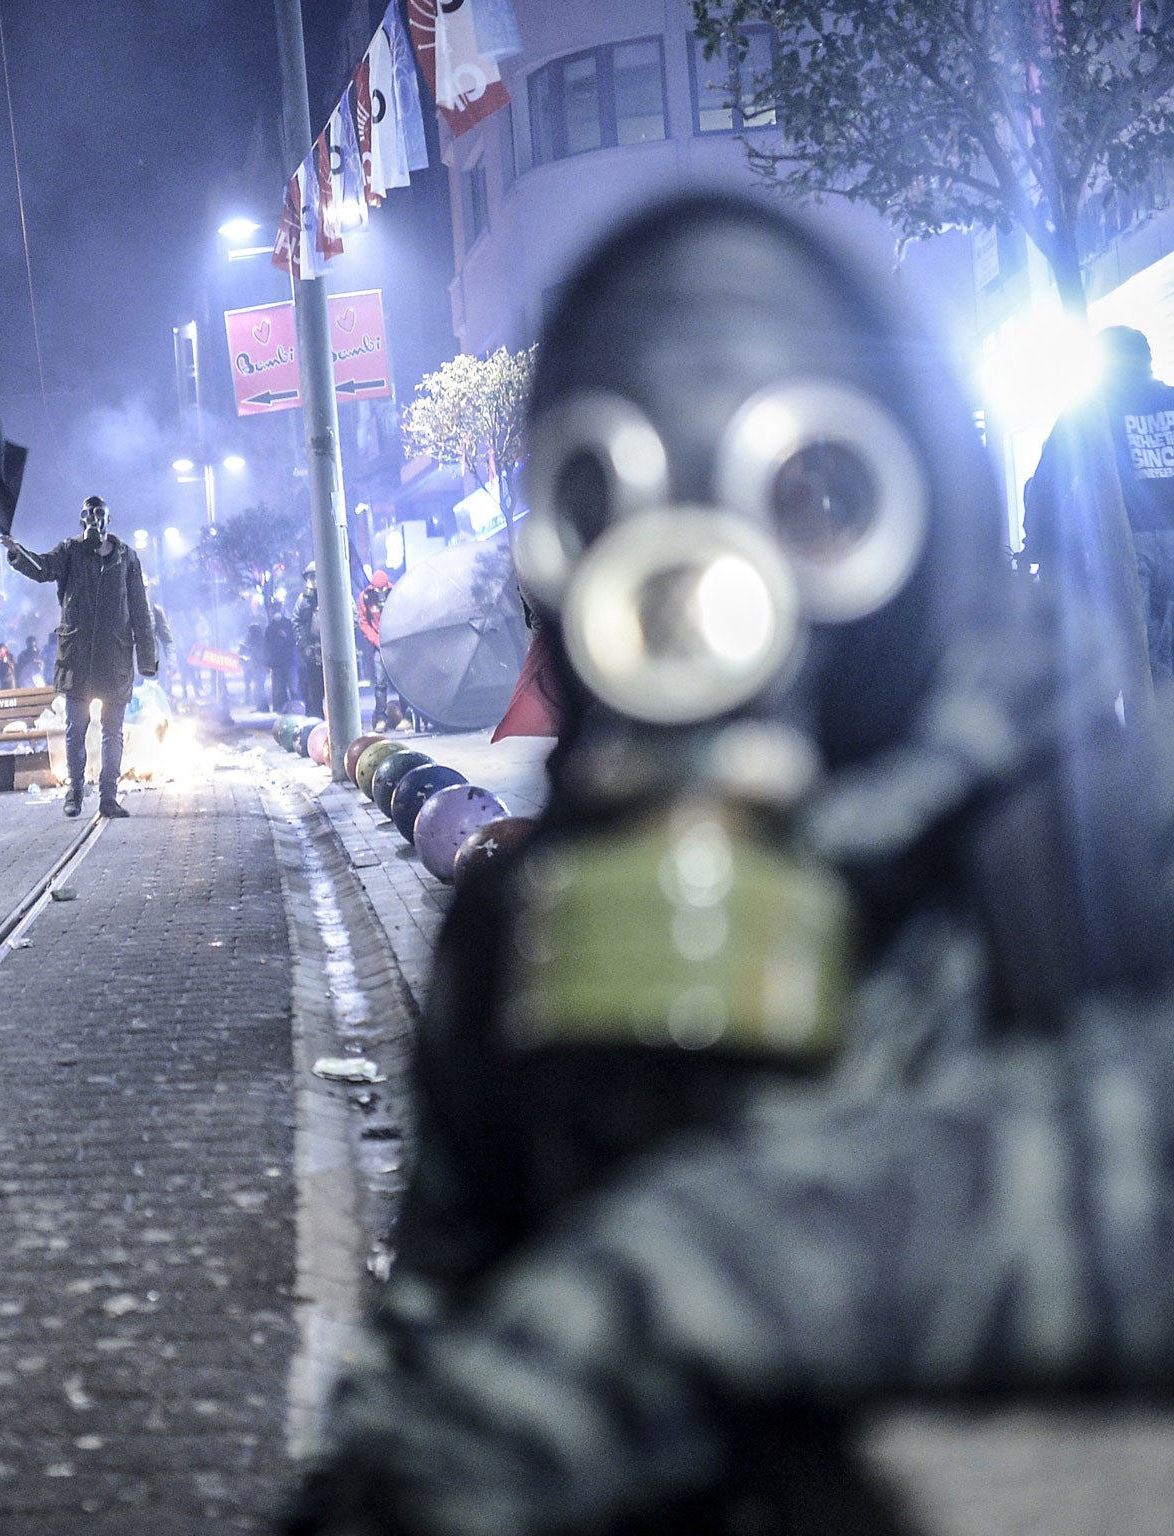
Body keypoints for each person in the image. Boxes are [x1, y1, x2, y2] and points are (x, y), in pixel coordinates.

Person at [293, 193, 1174, 1536]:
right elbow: (436, 1351)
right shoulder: (522, 933)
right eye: (612, 497)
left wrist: (681, 1293)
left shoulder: (1078, 835)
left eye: (813, 498)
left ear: (917, 503)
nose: (709, 563)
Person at [1022, 324, 1174, 681]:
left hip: (1126, 543)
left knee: (1134, 652)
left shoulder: (1087, 411)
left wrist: (1038, 544)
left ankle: (1149, 728)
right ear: (1148, 360)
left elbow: (1046, 482)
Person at [3, 495, 157, 818]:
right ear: (82, 520)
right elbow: (43, 568)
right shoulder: (70, 551)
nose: (94, 521)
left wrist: (146, 659)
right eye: (89, 515)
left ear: (109, 520)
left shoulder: (127, 558)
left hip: (114, 659)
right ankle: (74, 792)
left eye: (100, 515)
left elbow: (141, 610)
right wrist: (18, 553)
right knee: (75, 730)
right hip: (77, 659)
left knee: (113, 733)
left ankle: (108, 797)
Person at [292, 563, 324, 715]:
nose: (314, 580)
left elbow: (353, 617)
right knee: (314, 692)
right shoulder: (303, 600)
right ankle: (316, 722)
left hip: (332, 652)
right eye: (311, 577)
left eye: (317, 576)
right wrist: (303, 645)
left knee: (336, 691)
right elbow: (296, 620)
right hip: (312, 652)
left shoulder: (335, 593)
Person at [264, 605, 297, 711]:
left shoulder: (288, 624)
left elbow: (294, 640)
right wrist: (268, 663)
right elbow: (267, 647)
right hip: (277, 664)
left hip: (289, 661)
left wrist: (286, 636)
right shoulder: (270, 628)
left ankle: (297, 708)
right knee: (279, 690)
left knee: (294, 688)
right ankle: (280, 709)